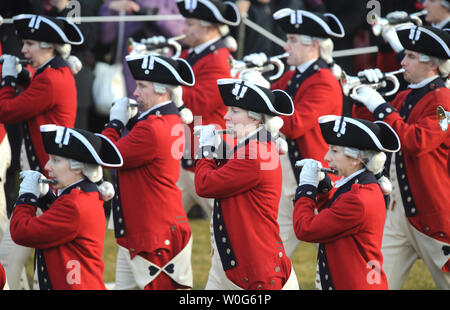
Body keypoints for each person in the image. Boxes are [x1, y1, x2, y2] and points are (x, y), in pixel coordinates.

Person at [351, 25, 450, 289]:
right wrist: (364, 97)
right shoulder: (406, 95)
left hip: (435, 217)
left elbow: (415, 142)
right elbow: (371, 131)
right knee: (373, 282)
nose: (402, 62)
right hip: (398, 213)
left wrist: (379, 104)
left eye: (412, 57)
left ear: (433, 64)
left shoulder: (443, 101)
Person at [243, 8, 344, 257]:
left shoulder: (323, 81)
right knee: (273, 245)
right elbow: (264, 105)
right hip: (290, 171)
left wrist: (262, 87)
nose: (286, 46)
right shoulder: (293, 76)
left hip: (317, 176)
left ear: (313, 46)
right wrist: (250, 83)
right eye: (288, 39)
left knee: (333, 252)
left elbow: (294, 124)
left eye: (293, 40)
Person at [0, 13, 83, 290]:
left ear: (49, 46)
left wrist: (8, 80)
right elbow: (34, 89)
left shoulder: (51, 79)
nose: (23, 50)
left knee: (13, 256)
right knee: (17, 256)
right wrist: (22, 76)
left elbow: (7, 110)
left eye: (30, 43)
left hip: (50, 182)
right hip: (45, 177)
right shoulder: (50, 73)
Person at [194, 77, 298, 290]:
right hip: (235, 261)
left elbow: (205, 184)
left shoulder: (254, 153)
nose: (226, 116)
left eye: (234, 111)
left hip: (254, 268)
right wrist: (217, 144)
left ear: (255, 118)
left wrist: (205, 148)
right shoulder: (252, 147)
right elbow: (232, 164)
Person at [101, 54, 194, 290]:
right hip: (143, 230)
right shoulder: (164, 119)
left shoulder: (152, 128)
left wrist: (115, 124)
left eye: (142, 86)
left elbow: (105, 156)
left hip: (151, 234)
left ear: (163, 90)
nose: (135, 92)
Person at [9, 124, 122, 290]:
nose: (47, 166)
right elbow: (59, 223)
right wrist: (45, 195)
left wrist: (27, 196)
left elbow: (21, 232)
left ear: (78, 167)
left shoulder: (74, 204)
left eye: (55, 160)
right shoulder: (80, 195)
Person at [293, 115, 400, 290]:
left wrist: (306, 188)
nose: (326, 157)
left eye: (335, 151)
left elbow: (305, 228)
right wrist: (323, 185)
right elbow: (333, 216)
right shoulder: (357, 187)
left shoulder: (358, 199)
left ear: (356, 158)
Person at [176, 0, 240, 218]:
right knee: (163, 222)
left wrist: (166, 86)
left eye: (190, 23)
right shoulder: (191, 53)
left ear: (208, 27)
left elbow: (198, 103)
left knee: (223, 226)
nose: (184, 29)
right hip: (185, 152)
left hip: (211, 155)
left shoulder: (219, 59)